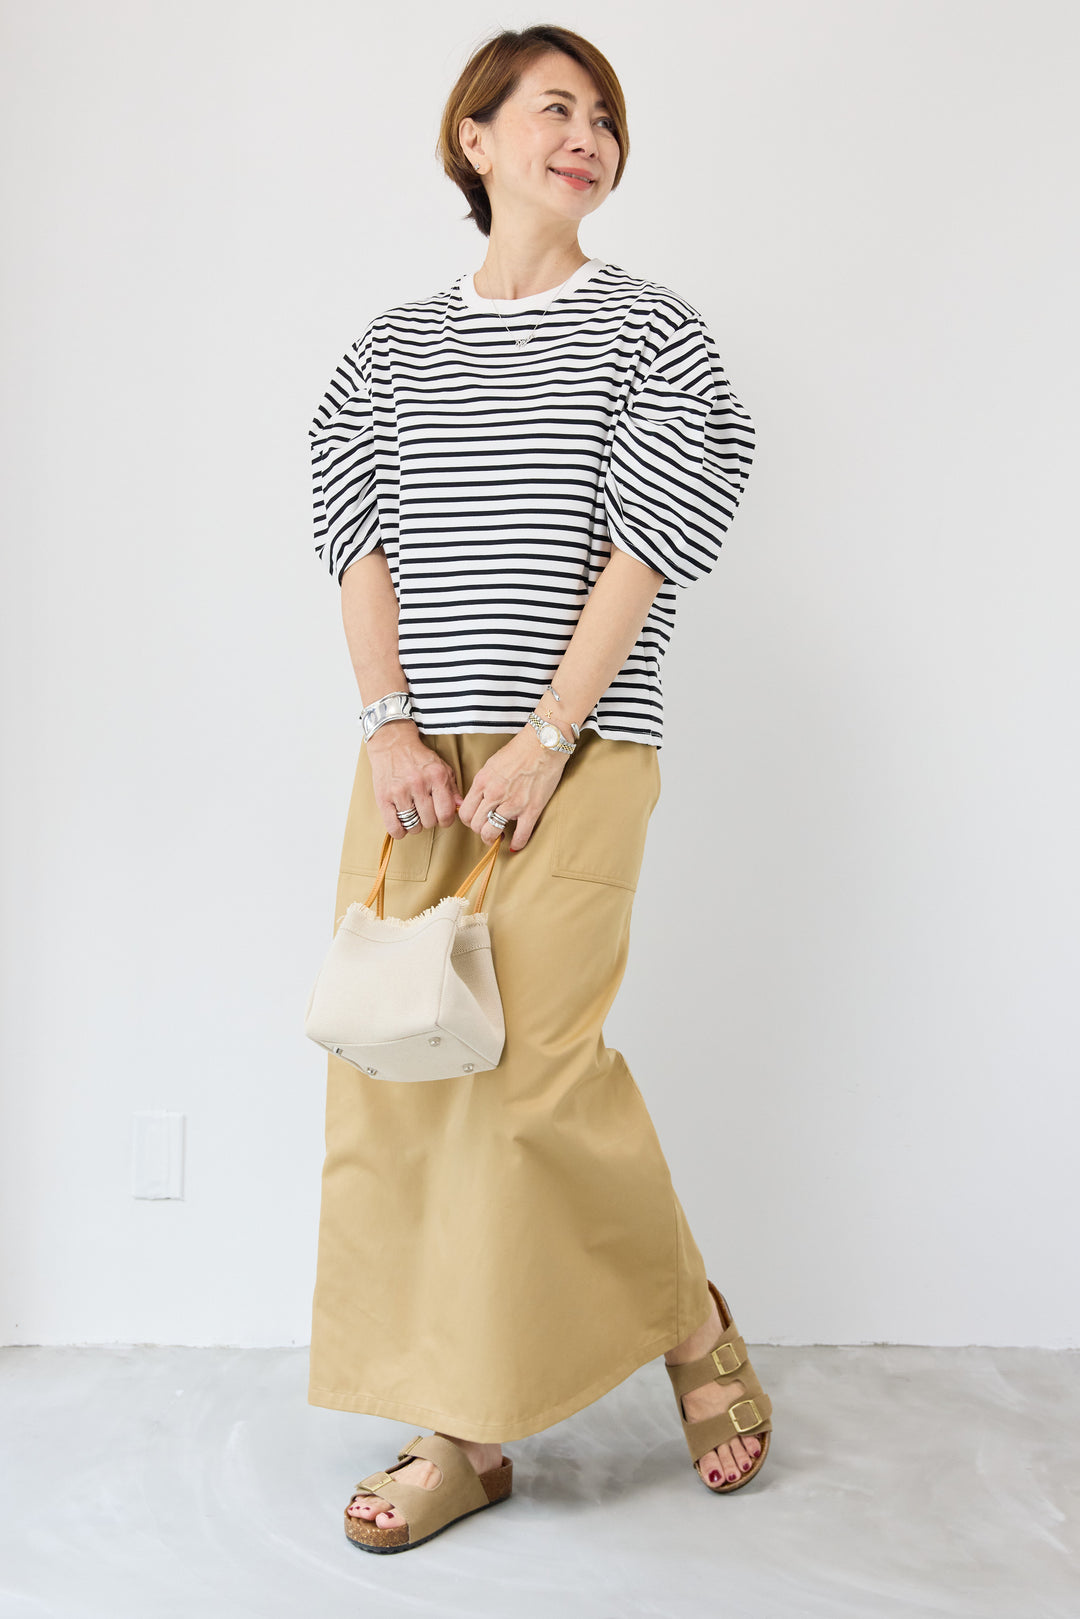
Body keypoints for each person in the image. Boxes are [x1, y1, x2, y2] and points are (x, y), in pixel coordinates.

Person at [306, 23, 773, 1555]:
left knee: (529, 1078)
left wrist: (547, 737)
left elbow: (651, 544)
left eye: (606, 119)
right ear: (478, 138)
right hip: (413, 770)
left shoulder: (653, 334)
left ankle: (659, 1337)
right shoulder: (388, 350)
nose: (588, 137)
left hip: (575, 755)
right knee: (404, 1077)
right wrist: (387, 730)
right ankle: (473, 1423)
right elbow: (356, 539)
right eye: (556, 109)